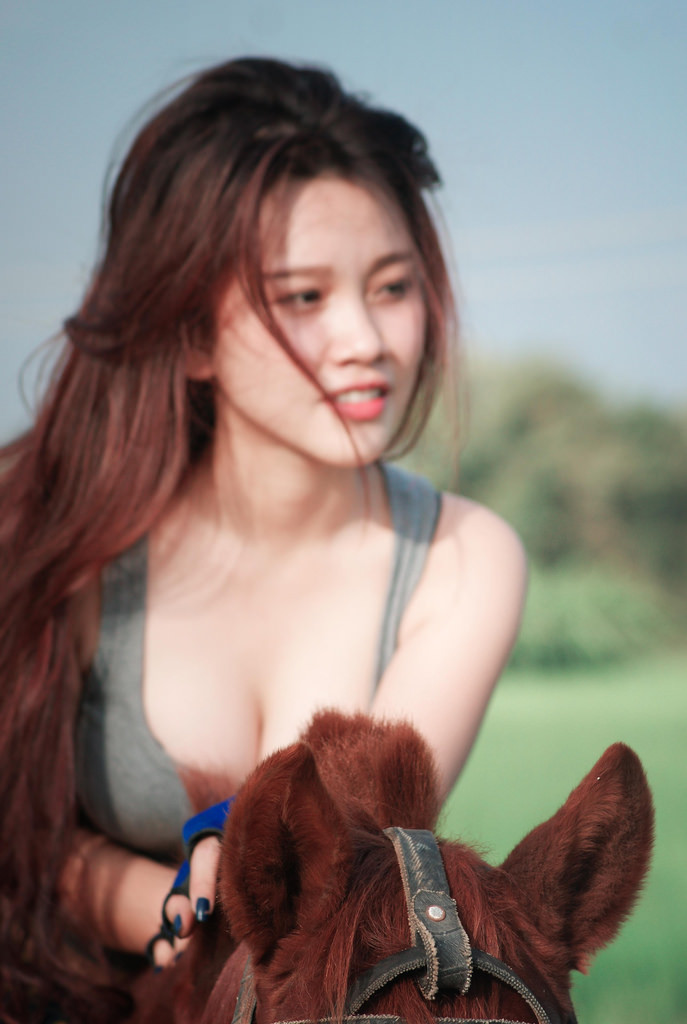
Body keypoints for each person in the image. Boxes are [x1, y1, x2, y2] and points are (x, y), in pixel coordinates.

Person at [0, 57, 526, 1022]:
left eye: (392, 287)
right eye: (302, 298)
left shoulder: (464, 561)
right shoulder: (51, 534)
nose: (366, 340)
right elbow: (19, 834)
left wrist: (223, 894)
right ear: (190, 335)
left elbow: (348, 879)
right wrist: (173, 901)